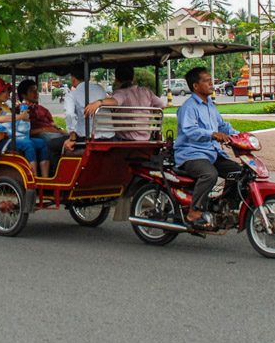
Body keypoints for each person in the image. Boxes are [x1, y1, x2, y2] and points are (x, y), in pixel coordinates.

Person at [174, 66, 241, 229]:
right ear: (196, 86)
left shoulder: (210, 105)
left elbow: (223, 126)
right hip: (191, 154)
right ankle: (194, 212)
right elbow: (190, 130)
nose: (211, 83)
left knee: (238, 172)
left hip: (212, 152)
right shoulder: (189, 107)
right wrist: (212, 134)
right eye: (206, 81)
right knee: (209, 174)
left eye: (211, 80)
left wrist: (240, 136)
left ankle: (226, 207)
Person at [0, 78, 50, 176]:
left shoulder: (4, 106)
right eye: (4, 91)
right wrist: (20, 116)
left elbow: (14, 122)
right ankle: (33, 179)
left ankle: (45, 179)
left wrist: (25, 118)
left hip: (11, 137)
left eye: (8, 91)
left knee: (42, 143)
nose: (8, 94)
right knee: (28, 144)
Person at [84, 64, 166, 140]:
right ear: (133, 78)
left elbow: (115, 101)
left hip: (124, 139)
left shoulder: (121, 93)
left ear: (116, 80)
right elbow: (162, 105)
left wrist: (99, 102)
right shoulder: (146, 91)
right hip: (146, 138)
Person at [62, 64, 112, 155]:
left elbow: (69, 114)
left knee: (52, 145)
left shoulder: (72, 95)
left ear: (73, 79)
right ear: (88, 77)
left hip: (87, 140)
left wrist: (72, 138)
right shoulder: (100, 89)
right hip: (109, 137)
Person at [17, 78, 66, 167]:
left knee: (68, 137)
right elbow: (23, 131)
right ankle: (54, 170)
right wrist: (44, 129)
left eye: (36, 90)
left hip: (52, 132)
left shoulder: (43, 110)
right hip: (36, 135)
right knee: (53, 141)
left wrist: (59, 129)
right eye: (32, 91)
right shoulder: (20, 111)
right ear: (24, 95)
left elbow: (52, 124)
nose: (36, 94)